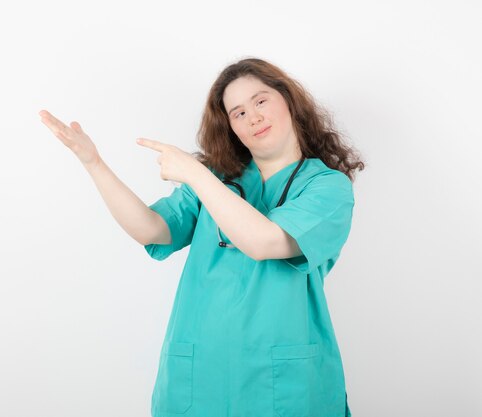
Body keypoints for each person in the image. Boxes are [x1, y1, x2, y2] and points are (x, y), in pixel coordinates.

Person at [39, 57, 364, 417]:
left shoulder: (327, 188)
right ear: (231, 128)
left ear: (289, 101)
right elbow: (151, 228)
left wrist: (197, 174)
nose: (252, 117)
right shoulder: (217, 180)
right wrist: (93, 163)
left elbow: (264, 241)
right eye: (237, 113)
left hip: (283, 381)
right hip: (199, 375)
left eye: (260, 101)